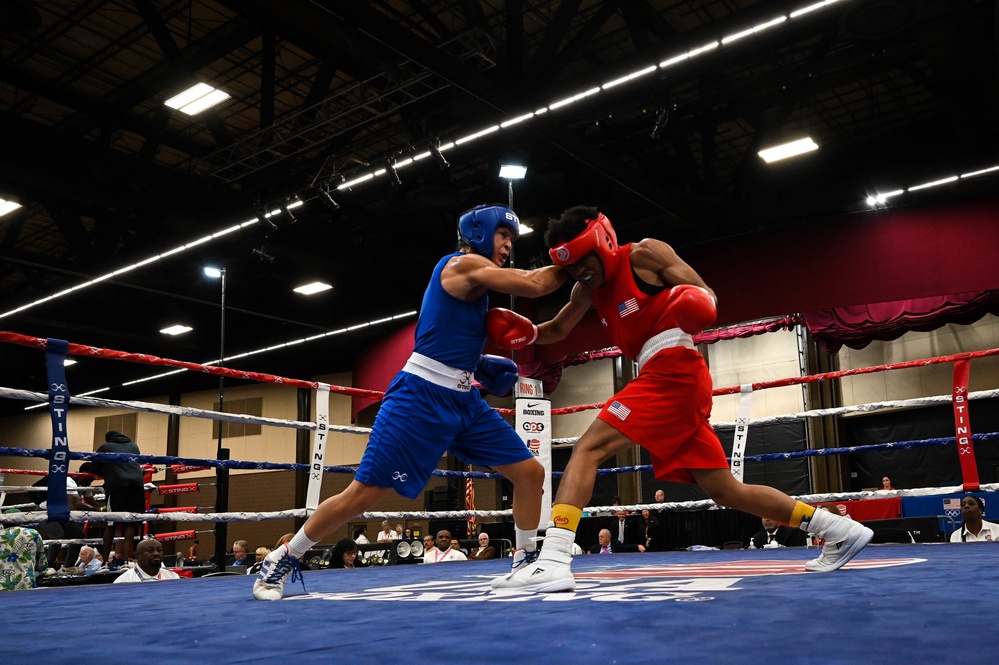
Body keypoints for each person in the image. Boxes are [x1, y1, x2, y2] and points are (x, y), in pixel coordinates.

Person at [490, 206, 872, 592]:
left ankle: (554, 558)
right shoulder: (586, 290)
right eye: (571, 268)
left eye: (584, 262)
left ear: (602, 243)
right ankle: (838, 529)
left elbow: (705, 294)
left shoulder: (644, 254)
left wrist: (695, 301)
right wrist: (528, 334)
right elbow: (559, 327)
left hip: (675, 367)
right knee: (725, 490)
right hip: (662, 375)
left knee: (588, 447)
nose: (580, 272)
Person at [252, 204, 567, 601]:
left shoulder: (478, 289)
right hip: (419, 398)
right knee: (363, 494)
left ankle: (524, 562)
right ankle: (282, 557)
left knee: (530, 473)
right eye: (503, 234)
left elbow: (450, 338)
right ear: (480, 232)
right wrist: (576, 254)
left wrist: (480, 365)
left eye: (511, 238)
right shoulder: (459, 266)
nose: (508, 244)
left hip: (464, 401)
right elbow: (537, 284)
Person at [90, 430, 145, 569]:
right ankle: (126, 562)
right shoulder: (134, 446)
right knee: (131, 523)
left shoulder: (105, 447)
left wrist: (106, 471)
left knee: (110, 523)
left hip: (117, 485)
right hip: (137, 485)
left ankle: (104, 563)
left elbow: (94, 468)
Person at [0, 510, 48, 591]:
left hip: (2, 586)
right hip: (27, 584)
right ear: (21, 519)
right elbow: (41, 558)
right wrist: (43, 571)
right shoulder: (33, 533)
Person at [113, 539, 181, 583]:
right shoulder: (123, 582)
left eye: (159, 550)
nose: (156, 553)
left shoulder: (173, 578)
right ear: (137, 556)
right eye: (150, 550)